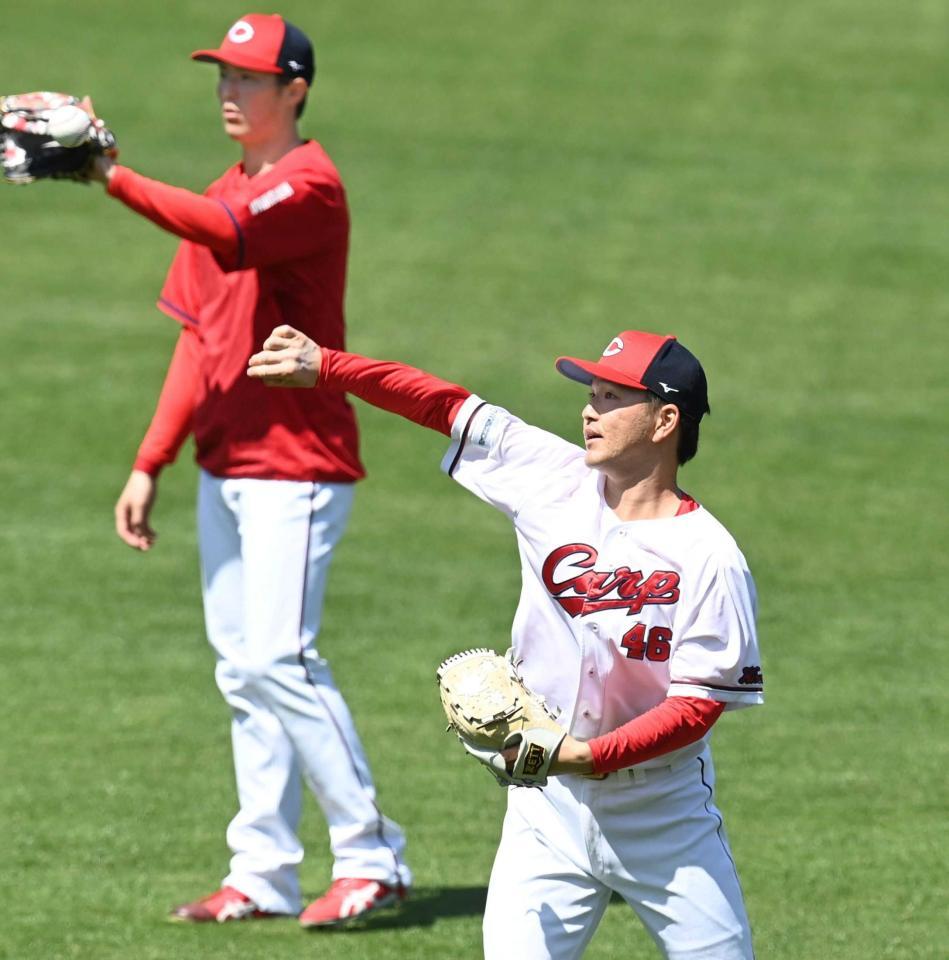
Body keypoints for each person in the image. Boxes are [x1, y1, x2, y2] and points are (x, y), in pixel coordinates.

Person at [247, 324, 764, 959]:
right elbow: (443, 403)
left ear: (664, 421)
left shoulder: (711, 557)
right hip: (544, 812)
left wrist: (584, 755)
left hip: (663, 813)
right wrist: (326, 365)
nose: (588, 411)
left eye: (610, 398)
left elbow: (697, 706)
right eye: (591, 394)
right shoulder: (548, 474)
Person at [89, 14, 411, 927]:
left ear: (295, 90)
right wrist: (150, 459)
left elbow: (226, 233)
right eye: (223, 78)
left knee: (280, 659)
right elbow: (199, 339)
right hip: (222, 462)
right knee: (243, 672)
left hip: (297, 464)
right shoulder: (220, 188)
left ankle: (372, 854)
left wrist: (109, 177)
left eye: (250, 80)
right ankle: (263, 871)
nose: (231, 94)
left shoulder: (309, 187)